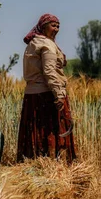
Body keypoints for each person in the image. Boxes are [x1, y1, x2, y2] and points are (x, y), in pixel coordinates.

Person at [17, 14, 76, 164]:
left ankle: (32, 162)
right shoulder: (47, 45)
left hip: (32, 96)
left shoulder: (33, 43)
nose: (56, 29)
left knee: (35, 129)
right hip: (46, 95)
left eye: (58, 26)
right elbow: (49, 72)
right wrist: (59, 94)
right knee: (50, 130)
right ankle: (52, 164)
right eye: (53, 25)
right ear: (43, 27)